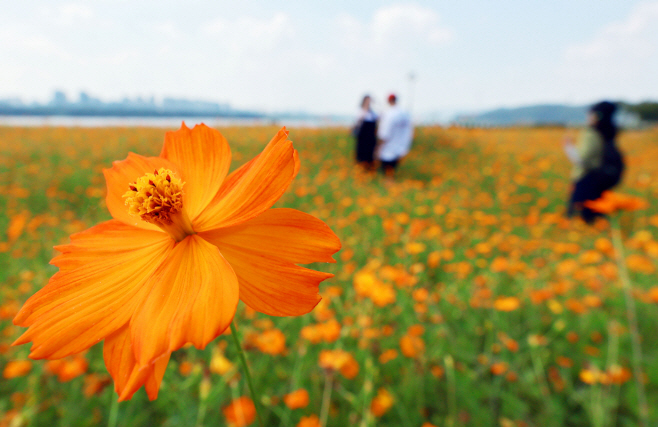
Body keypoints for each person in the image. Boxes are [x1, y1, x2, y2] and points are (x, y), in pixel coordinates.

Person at [564, 101, 624, 223]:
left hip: (587, 178)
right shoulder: (607, 132)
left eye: (590, 113)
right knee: (596, 217)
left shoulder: (591, 133)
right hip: (600, 180)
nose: (588, 116)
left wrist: (568, 147)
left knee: (577, 216)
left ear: (596, 115)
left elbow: (581, 160)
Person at [376, 94, 414, 179]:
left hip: (387, 148)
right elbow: (409, 131)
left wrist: (378, 147)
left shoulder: (389, 114)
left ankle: (388, 188)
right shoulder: (404, 114)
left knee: (387, 174)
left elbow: (384, 133)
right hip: (400, 147)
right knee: (393, 171)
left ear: (388, 101)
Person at [353, 95, 378, 170]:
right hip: (362, 137)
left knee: (370, 154)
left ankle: (370, 169)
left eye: (370, 101)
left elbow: (378, 118)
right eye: (367, 101)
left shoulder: (372, 113)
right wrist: (365, 110)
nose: (368, 103)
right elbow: (357, 122)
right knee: (361, 153)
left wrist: (376, 104)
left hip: (371, 137)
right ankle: (360, 169)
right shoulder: (360, 111)